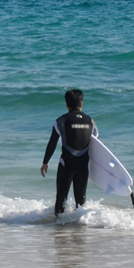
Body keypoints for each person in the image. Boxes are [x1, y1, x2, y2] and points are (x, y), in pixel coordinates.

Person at [41, 88, 98, 216]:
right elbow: (97, 145)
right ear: (81, 104)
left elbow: (52, 143)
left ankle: (59, 229)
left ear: (66, 104)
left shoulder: (61, 121)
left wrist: (45, 162)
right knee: (81, 203)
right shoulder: (91, 122)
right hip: (83, 166)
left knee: (61, 199)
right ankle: (80, 228)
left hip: (67, 164)